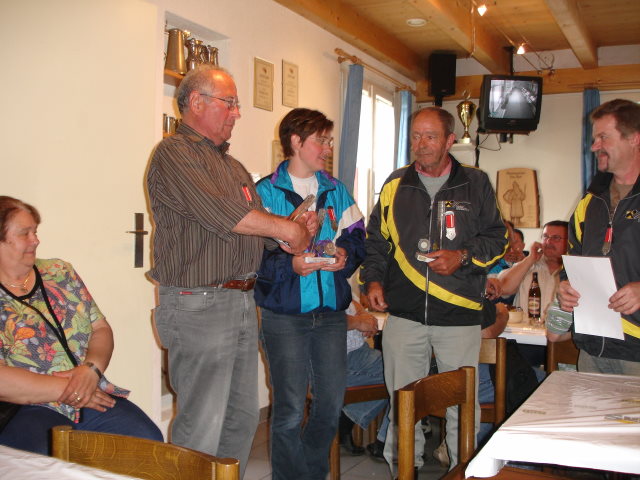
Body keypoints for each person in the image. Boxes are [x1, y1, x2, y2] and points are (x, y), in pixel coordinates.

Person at [146, 66, 315, 478]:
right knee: (201, 423)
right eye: (230, 103)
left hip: (240, 300)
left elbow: (257, 228)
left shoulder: (232, 166)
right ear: (196, 102)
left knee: (240, 418)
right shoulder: (174, 153)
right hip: (198, 303)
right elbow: (226, 215)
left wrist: (292, 228)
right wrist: (286, 230)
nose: (237, 112)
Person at [361, 106, 507, 474]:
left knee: (462, 407)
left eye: (430, 136)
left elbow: (498, 239)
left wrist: (463, 256)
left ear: (449, 141)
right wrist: (373, 280)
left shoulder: (475, 182)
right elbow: (376, 240)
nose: (421, 144)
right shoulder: (396, 184)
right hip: (405, 314)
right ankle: (404, 473)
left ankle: (465, 473)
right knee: (403, 406)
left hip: (458, 315)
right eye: (415, 136)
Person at [0, 196, 162, 454]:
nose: (35, 240)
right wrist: (71, 388)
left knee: (146, 442)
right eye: (24, 233)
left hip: (89, 391)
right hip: (26, 407)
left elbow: (100, 329)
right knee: (48, 461)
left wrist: (91, 370)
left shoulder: (59, 272)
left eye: (35, 231)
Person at [254, 108, 365, 480]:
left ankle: (310, 475)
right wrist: (292, 266)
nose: (328, 148)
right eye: (322, 141)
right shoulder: (265, 192)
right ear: (296, 142)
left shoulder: (336, 189)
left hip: (331, 315)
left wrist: (345, 257)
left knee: (330, 406)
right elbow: (253, 258)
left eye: (329, 140)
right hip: (284, 318)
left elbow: (358, 237)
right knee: (287, 410)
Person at [552, 99, 640, 376]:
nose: (594, 147)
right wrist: (565, 285)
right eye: (594, 139)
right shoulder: (589, 203)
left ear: (634, 138)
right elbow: (572, 263)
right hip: (592, 349)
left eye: (603, 137)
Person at [338, 300, 389, 460]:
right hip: (333, 359)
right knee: (397, 374)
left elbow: (350, 299)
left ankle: (344, 423)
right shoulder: (308, 284)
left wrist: (362, 313)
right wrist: (357, 322)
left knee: (401, 368)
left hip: (359, 351)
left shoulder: (339, 283)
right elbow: (320, 320)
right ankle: (387, 442)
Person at [498, 220, 568, 320]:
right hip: (524, 329)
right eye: (545, 237)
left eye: (556, 238)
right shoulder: (528, 265)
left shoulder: (575, 272)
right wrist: (530, 259)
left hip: (559, 329)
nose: (548, 242)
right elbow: (502, 288)